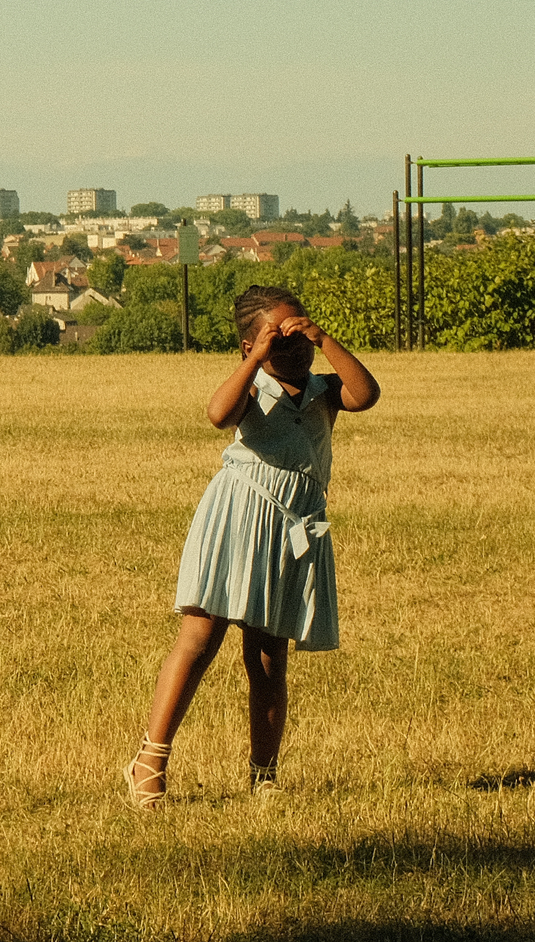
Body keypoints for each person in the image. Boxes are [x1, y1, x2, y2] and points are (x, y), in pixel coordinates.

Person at [123, 283, 381, 806]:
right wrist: (257, 359)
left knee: (268, 656)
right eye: (278, 339)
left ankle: (264, 776)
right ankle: (149, 761)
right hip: (239, 514)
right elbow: (218, 413)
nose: (295, 348)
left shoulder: (321, 391)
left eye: (300, 335)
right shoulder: (252, 386)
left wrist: (324, 338)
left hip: (294, 528)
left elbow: (366, 395)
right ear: (250, 346)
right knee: (201, 636)